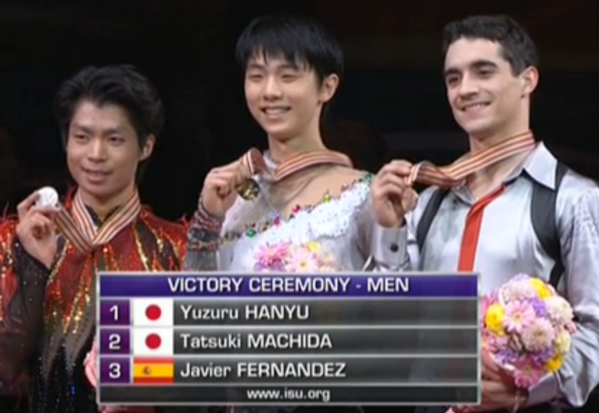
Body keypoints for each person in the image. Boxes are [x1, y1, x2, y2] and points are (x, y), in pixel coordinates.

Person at [371, 14, 599, 413]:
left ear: (528, 80)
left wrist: (527, 390)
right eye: (453, 78)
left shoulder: (574, 199)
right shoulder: (427, 204)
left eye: (483, 72)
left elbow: (596, 333)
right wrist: (389, 231)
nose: (465, 89)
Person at [183, 14, 405, 413]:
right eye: (257, 76)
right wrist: (208, 219)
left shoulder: (362, 193)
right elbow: (195, 322)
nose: (270, 91)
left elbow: (396, 315)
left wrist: (391, 228)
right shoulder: (231, 195)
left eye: (288, 76)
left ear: (327, 87)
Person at [0, 65, 188, 413]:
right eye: (82, 137)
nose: (95, 155)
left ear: (146, 146)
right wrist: (33, 269)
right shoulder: (17, 237)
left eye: (114, 139)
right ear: (66, 141)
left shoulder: (178, 249)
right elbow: (5, 370)